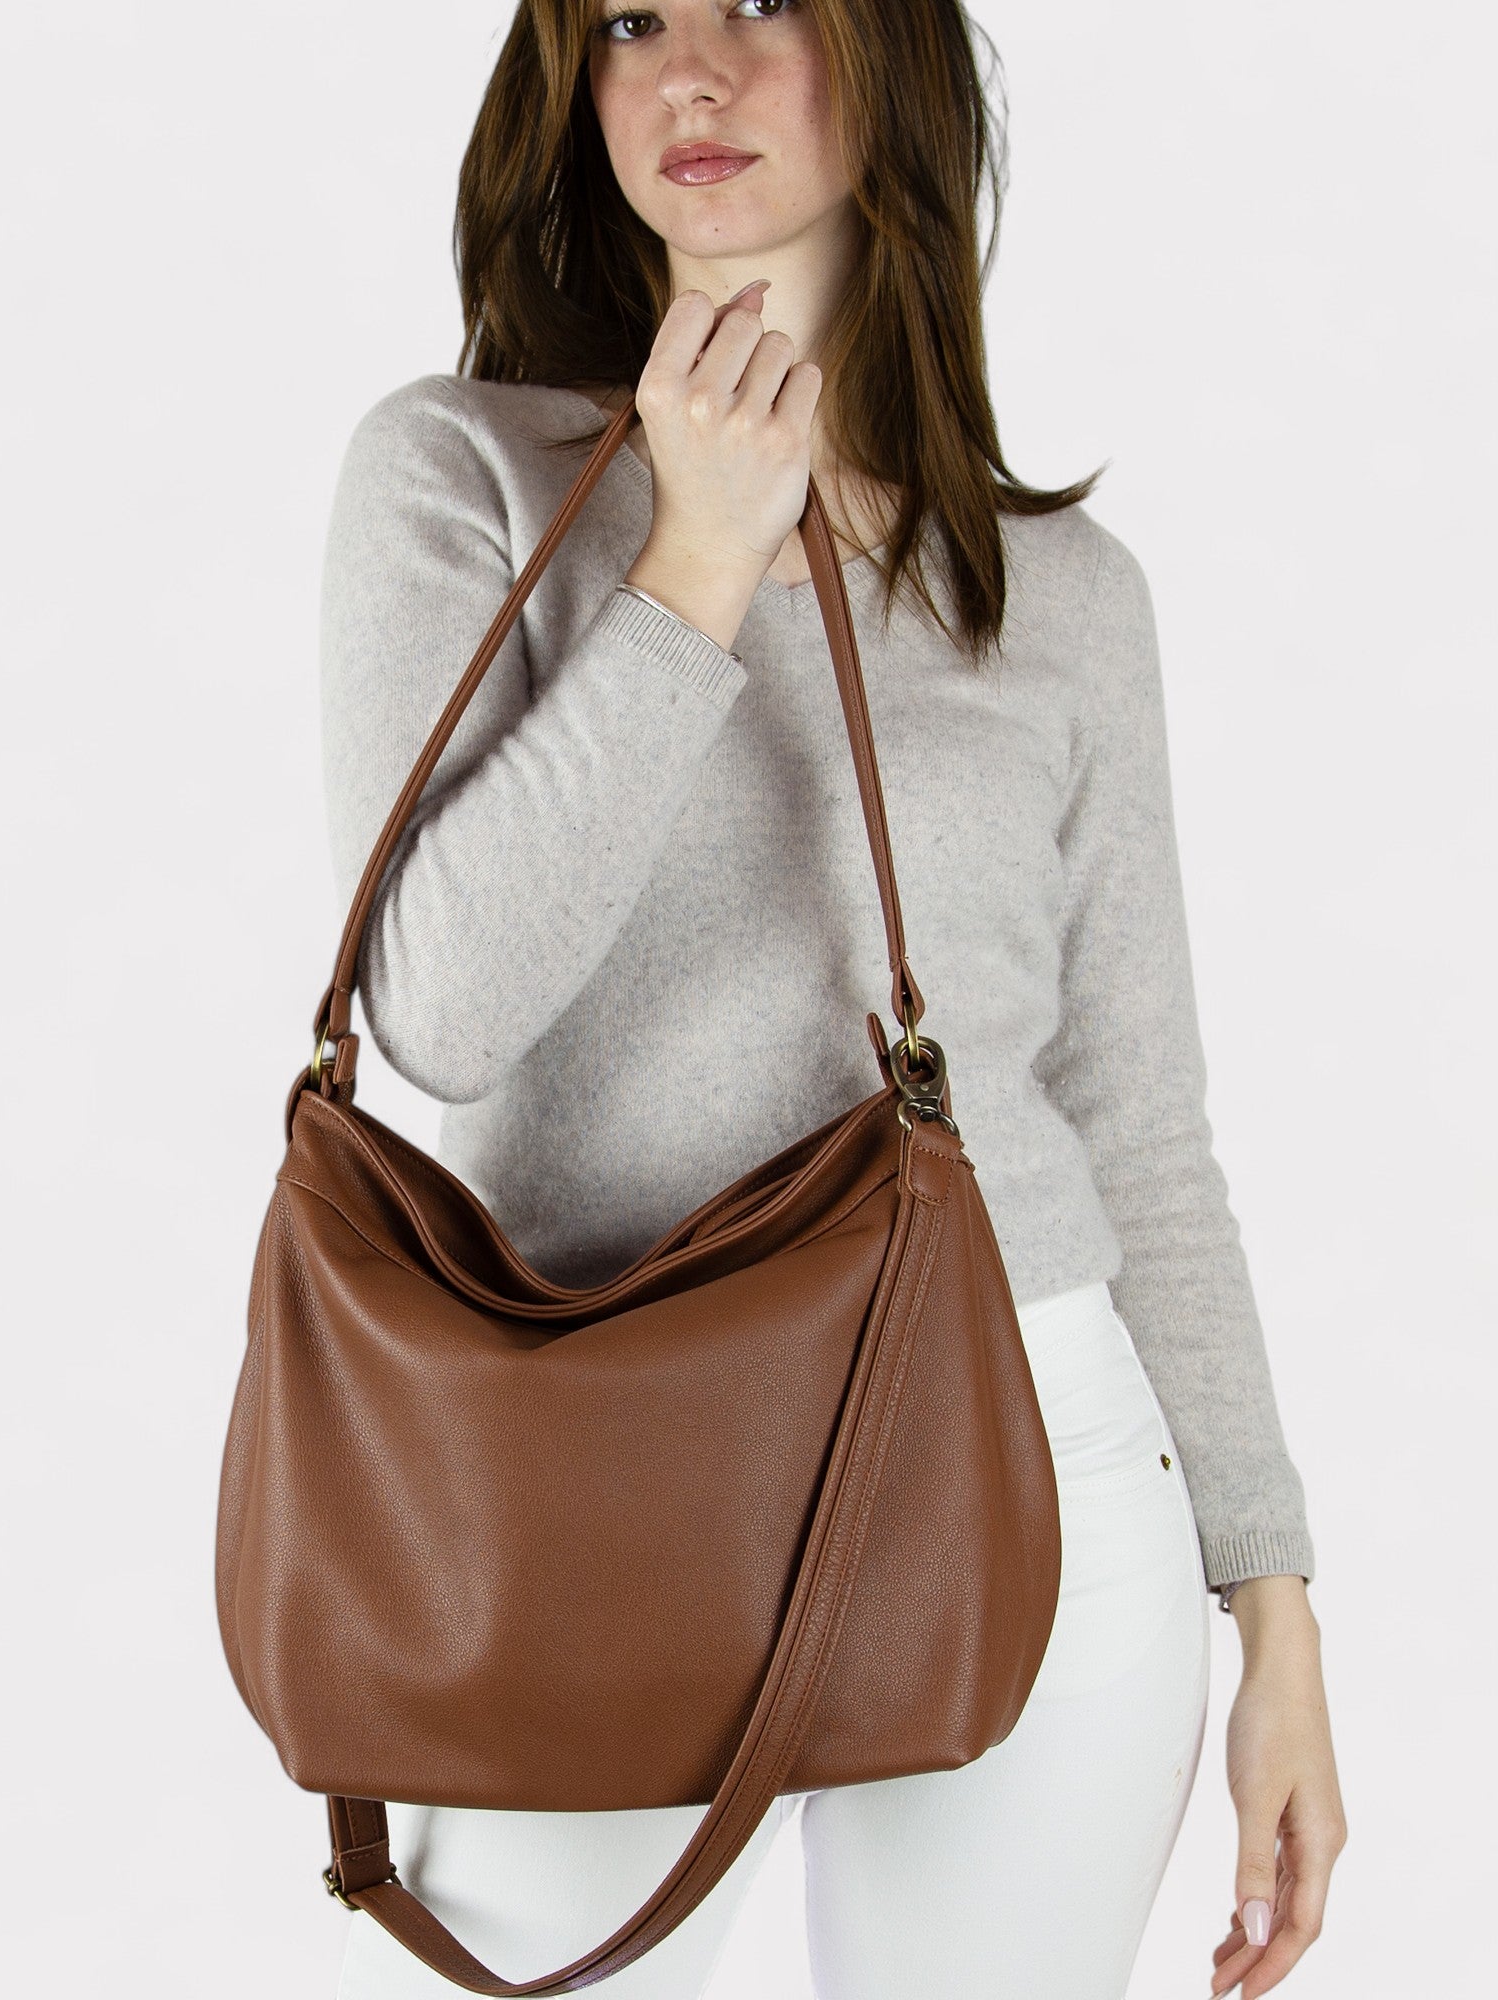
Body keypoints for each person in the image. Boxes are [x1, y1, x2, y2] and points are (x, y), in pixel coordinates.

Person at [317, 3, 1347, 1994]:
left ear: (899, 67)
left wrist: (1272, 1605)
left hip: (1024, 1446)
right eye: (628, 18)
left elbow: (1138, 1125)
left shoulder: (1060, 592)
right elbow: (439, 1008)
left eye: (759, 5)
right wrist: (698, 555)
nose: (688, 71)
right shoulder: (461, 478)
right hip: (588, 1443)